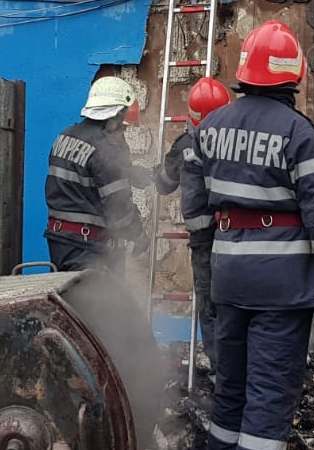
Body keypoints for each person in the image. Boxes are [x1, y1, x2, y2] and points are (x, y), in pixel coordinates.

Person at [183, 21, 314, 450]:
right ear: (292, 73)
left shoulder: (209, 128)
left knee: (231, 387)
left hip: (228, 278)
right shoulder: (299, 132)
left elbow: (195, 205)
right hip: (282, 286)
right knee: (270, 391)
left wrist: (207, 261)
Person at [153, 76, 232, 383]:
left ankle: (220, 375)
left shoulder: (185, 144)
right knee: (235, 306)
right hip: (236, 236)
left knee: (210, 307)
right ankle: (240, 372)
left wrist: (156, 174)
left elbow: (164, 184)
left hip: (203, 241)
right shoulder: (237, 141)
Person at [44, 76, 148, 272]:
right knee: (96, 292)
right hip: (87, 247)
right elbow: (118, 205)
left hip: (59, 241)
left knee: (65, 291)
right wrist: (138, 234)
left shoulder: (65, 135)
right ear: (116, 114)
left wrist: (129, 173)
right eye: (123, 123)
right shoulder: (105, 146)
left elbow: (86, 174)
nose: (123, 130)